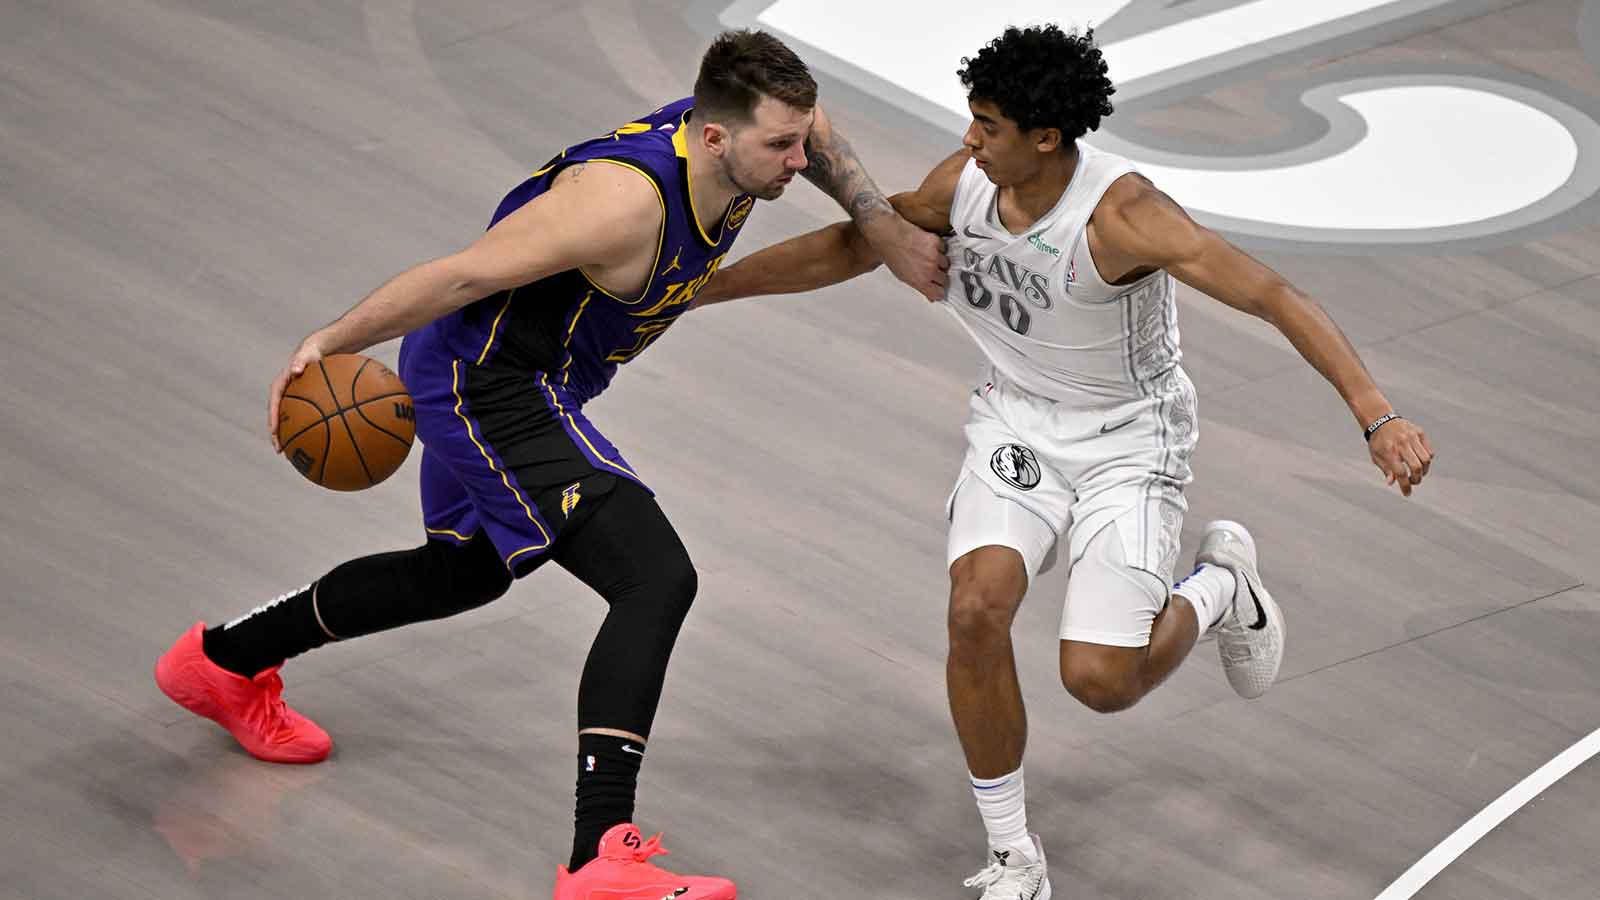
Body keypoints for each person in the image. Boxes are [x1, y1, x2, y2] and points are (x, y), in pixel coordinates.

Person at [153, 29, 945, 900]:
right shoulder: (619, 204)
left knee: (463, 572)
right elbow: (459, 277)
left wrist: (878, 226)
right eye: (781, 146)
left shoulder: (748, 142)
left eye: (799, 141)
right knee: (654, 578)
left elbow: (819, 132)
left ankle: (221, 663)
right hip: (485, 384)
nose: (801, 160)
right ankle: (599, 857)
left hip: (540, 379)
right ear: (714, 136)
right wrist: (329, 341)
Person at [694, 24, 1434, 900]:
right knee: (975, 611)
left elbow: (1275, 294)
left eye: (989, 125)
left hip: (1129, 441)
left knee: (1100, 682)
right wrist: (701, 288)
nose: (969, 139)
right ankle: (1014, 856)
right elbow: (860, 242)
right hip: (1016, 427)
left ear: (1046, 137)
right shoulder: (965, 182)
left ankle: (1222, 583)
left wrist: (1374, 414)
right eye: (972, 120)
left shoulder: (1123, 216)